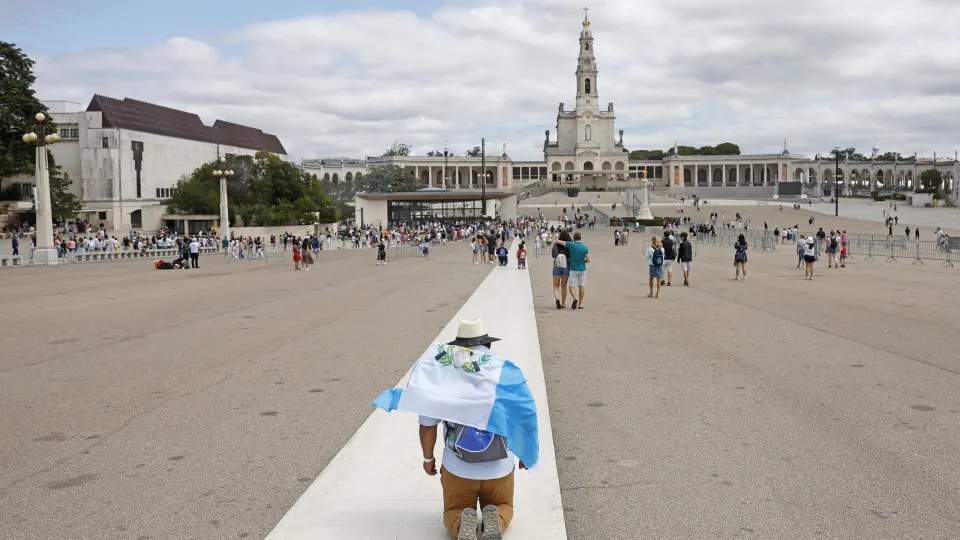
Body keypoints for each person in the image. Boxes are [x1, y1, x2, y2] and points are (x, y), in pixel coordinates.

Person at [414, 320, 529, 540]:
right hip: (500, 467)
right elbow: (523, 416)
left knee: (452, 510)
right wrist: (526, 452)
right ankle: (495, 517)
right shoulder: (506, 373)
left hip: (459, 468)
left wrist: (428, 459)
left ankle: (460, 520)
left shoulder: (444, 378)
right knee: (504, 505)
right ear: (488, 346)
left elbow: (427, 425)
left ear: (458, 348)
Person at [555, 231, 590, 310]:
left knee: (571, 286)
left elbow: (558, 241)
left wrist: (557, 237)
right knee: (581, 286)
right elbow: (588, 260)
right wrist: (583, 260)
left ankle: (575, 298)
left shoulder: (571, 244)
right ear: (581, 238)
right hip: (582, 269)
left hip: (573, 269)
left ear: (574, 238)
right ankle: (580, 304)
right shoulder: (585, 247)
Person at [551, 231, 571, 309]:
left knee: (556, 286)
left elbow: (553, 255)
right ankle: (563, 303)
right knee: (563, 286)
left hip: (556, 266)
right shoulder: (569, 245)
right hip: (566, 266)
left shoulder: (556, 244)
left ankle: (557, 299)